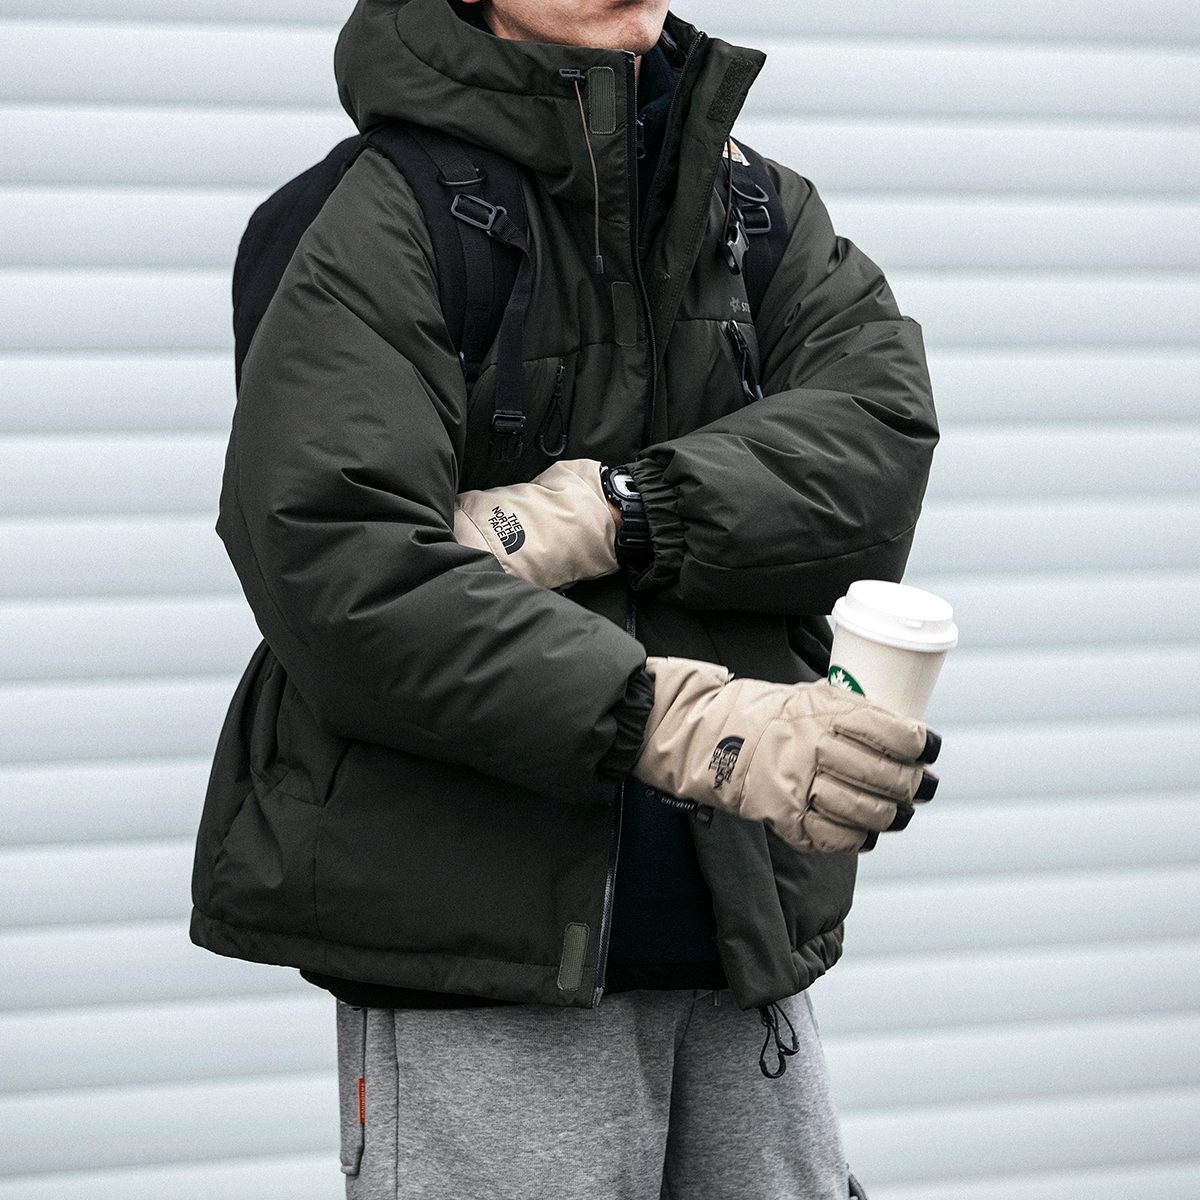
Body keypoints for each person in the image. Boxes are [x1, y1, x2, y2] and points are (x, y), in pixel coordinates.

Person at [189, 0, 942, 1195]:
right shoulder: (370, 215)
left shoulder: (759, 209)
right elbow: (340, 570)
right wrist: (687, 722)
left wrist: (615, 511)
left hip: (739, 937)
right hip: (478, 959)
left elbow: (876, 451)